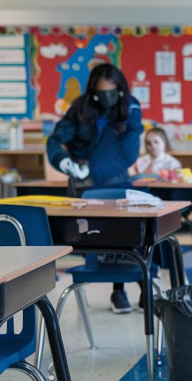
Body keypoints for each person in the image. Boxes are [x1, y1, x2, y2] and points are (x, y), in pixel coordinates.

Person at [47, 63, 144, 313]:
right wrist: (65, 161)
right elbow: (57, 139)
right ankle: (120, 292)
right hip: (83, 184)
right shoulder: (81, 107)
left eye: (111, 91)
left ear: (120, 88)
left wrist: (92, 167)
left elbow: (128, 152)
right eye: (101, 92)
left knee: (128, 238)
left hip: (115, 181)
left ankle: (135, 288)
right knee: (100, 241)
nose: (106, 98)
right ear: (93, 90)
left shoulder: (129, 107)